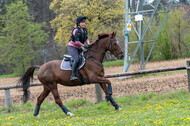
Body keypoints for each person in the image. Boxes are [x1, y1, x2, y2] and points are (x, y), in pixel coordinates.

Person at [68, 16, 90, 80]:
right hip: (72, 47)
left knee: (85, 57)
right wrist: (84, 46)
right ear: (78, 23)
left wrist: (89, 44)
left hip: (79, 47)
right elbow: (77, 42)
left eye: (84, 22)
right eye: (82, 22)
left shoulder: (85, 30)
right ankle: (72, 75)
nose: (83, 24)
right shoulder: (76, 31)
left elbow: (86, 38)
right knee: (77, 59)